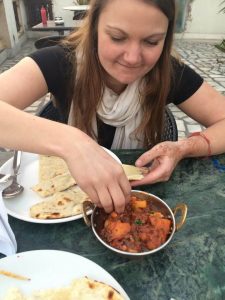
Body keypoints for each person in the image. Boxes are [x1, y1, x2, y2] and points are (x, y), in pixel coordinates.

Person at [0, 0, 225, 213]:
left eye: (152, 41)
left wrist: (182, 148)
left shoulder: (170, 73)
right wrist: (72, 143)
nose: (133, 58)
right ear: (95, 28)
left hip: (134, 201)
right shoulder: (59, 62)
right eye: (117, 37)